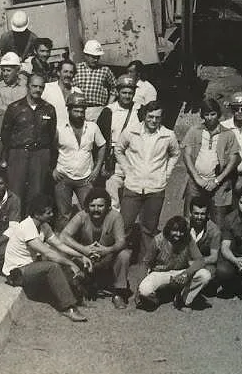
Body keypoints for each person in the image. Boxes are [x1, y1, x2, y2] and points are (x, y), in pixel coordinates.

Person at [2, 195, 91, 322]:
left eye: (51, 211)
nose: (52, 214)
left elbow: (59, 245)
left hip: (30, 266)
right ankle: (68, 308)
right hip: (16, 272)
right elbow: (48, 252)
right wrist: (71, 264)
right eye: (48, 212)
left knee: (61, 259)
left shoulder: (44, 226)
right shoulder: (27, 226)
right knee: (52, 265)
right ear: (37, 215)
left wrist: (81, 255)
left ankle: (76, 296)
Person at [116, 101, 180, 252]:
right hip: (133, 186)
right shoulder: (131, 132)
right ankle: (119, 259)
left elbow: (175, 154)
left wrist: (166, 173)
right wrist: (127, 169)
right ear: (144, 115)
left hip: (155, 188)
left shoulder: (168, 135)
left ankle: (145, 263)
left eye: (157, 117)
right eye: (150, 117)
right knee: (124, 225)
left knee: (149, 229)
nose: (153, 121)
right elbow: (119, 150)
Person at [59, 187, 132, 308]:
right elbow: (63, 236)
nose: (96, 210)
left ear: (108, 206)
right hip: (85, 257)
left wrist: (107, 250)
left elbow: (121, 241)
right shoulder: (82, 215)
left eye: (100, 206)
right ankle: (74, 287)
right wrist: (84, 250)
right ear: (87, 206)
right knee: (63, 250)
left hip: (107, 257)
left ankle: (119, 293)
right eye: (92, 206)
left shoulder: (115, 216)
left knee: (125, 254)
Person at [1, 73, 58, 205]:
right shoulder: (14, 108)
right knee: (15, 193)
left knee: (37, 193)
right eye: (34, 86)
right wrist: (7, 157)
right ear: (28, 86)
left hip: (40, 154)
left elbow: (51, 134)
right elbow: (5, 134)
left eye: (41, 87)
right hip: (18, 154)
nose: (38, 90)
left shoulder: (49, 109)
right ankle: (14, 224)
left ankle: (32, 224)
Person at [181, 99, 241, 225]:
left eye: (213, 114)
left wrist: (217, 180)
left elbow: (234, 159)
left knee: (218, 221)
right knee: (190, 218)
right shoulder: (194, 131)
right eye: (206, 114)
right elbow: (186, 154)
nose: (209, 118)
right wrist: (197, 178)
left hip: (219, 184)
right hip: (196, 182)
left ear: (218, 114)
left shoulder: (228, 134)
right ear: (202, 115)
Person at [135, 216, 212, 311]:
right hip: (160, 273)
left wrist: (186, 274)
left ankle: (183, 300)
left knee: (205, 275)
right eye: (175, 231)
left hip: (180, 272)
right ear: (169, 229)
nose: (178, 234)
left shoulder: (187, 239)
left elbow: (200, 260)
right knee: (144, 291)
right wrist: (138, 287)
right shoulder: (158, 240)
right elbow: (145, 263)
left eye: (182, 231)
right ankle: (160, 297)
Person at [53, 94, 107, 223]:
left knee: (88, 212)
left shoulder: (92, 127)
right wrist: (53, 169)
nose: (79, 114)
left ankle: (86, 240)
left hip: (85, 178)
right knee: (63, 214)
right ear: (69, 110)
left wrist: (97, 169)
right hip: (63, 177)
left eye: (82, 111)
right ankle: (62, 241)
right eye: (76, 111)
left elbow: (102, 146)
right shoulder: (59, 129)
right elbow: (51, 149)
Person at [98, 73, 142, 207]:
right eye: (124, 92)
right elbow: (101, 139)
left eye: (130, 92)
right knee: (113, 196)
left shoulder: (140, 110)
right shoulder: (109, 111)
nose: (127, 96)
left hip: (134, 159)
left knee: (132, 197)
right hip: (114, 160)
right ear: (117, 92)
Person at [73, 40, 116, 122]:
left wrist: (109, 105)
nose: (96, 60)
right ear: (86, 55)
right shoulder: (76, 68)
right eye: (93, 57)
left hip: (98, 110)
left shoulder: (105, 70)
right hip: (78, 108)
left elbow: (115, 87)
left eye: (98, 57)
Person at [188, 198, 221, 291]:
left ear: (207, 214)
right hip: (185, 260)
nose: (199, 217)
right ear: (190, 213)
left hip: (203, 262)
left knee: (211, 273)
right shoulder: (184, 224)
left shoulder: (214, 231)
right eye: (196, 213)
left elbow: (213, 257)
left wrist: (195, 263)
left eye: (202, 214)